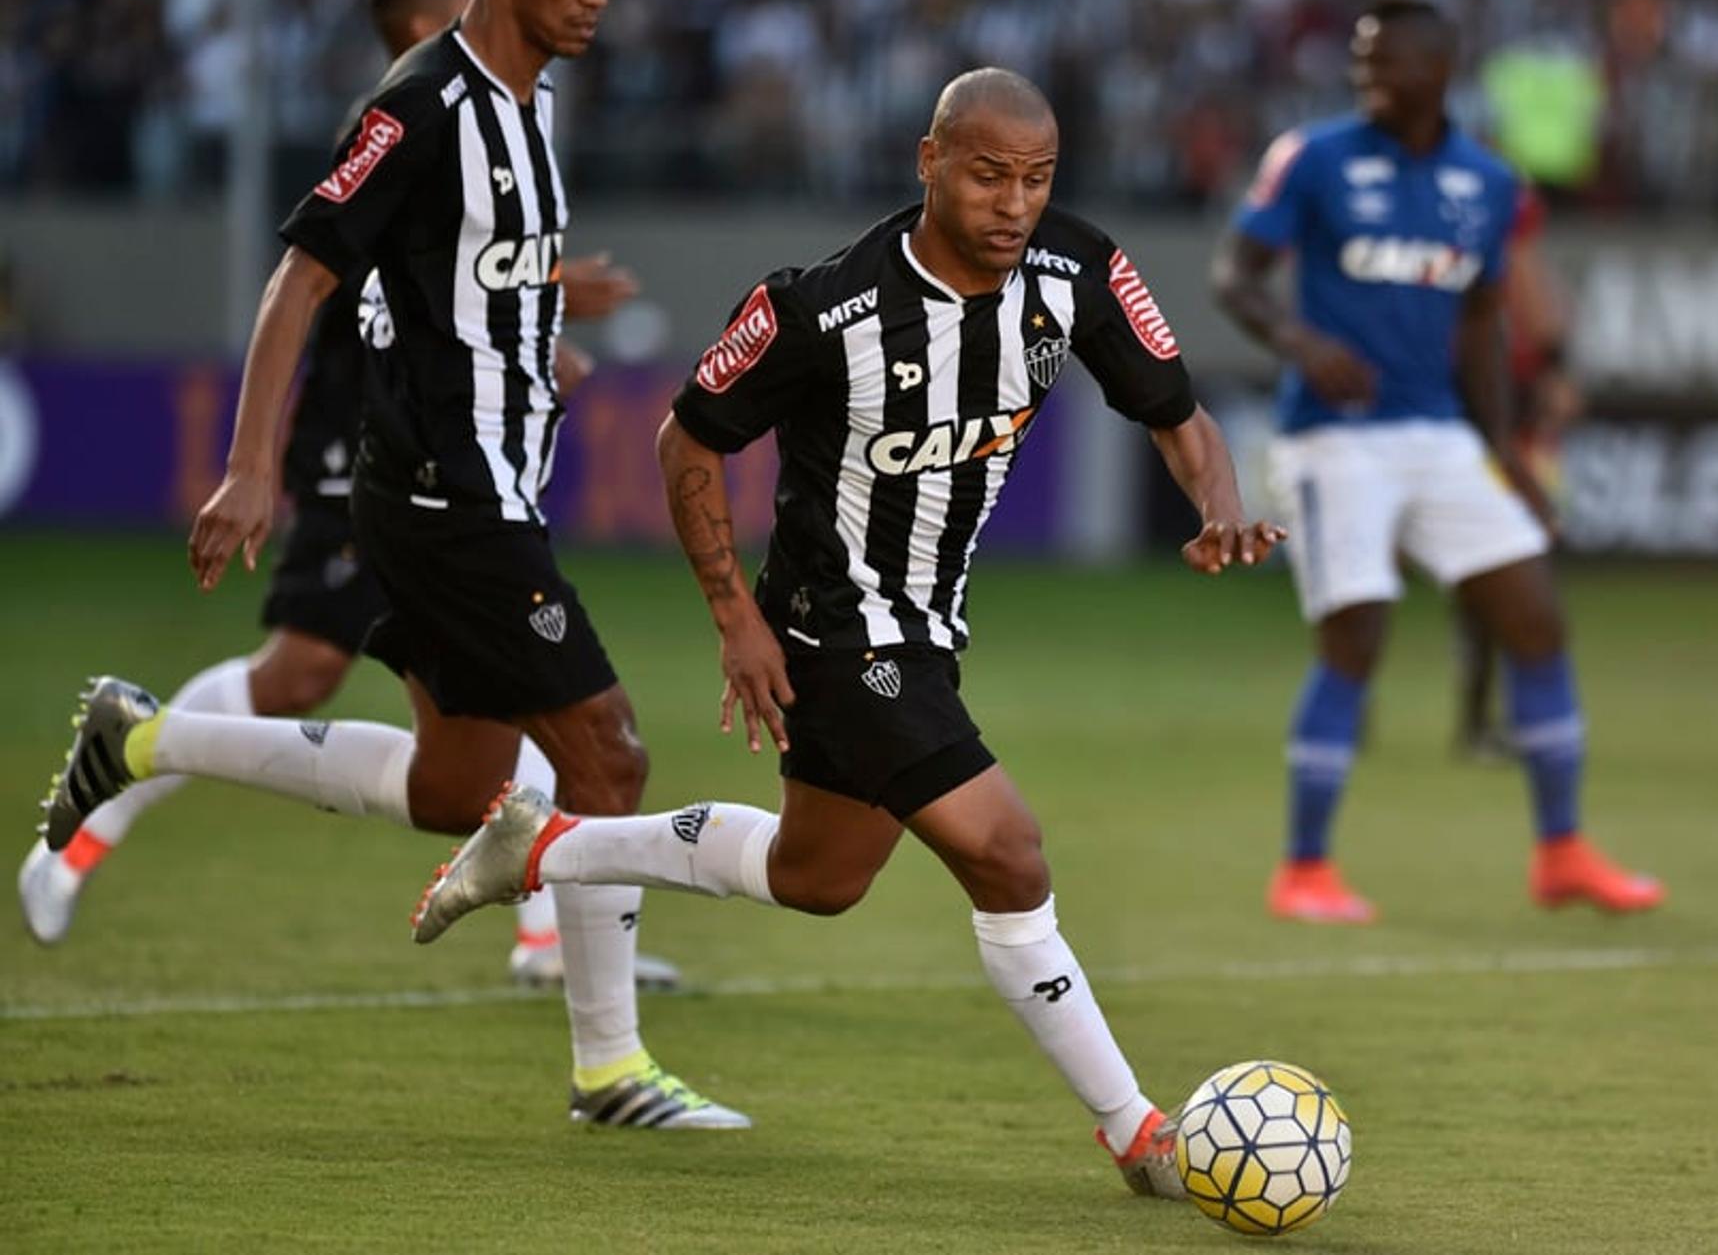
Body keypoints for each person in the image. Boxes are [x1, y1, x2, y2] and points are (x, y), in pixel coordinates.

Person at [407, 67, 1282, 1196]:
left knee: (816, 874)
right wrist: (737, 621)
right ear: (928, 161)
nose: (1014, 203)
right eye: (987, 175)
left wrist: (1218, 500)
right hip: (832, 626)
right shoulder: (824, 308)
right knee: (1008, 854)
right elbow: (687, 441)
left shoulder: (1081, 271)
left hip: (926, 627)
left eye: (1036, 179)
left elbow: (1178, 411)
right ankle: (1139, 1134)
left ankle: (538, 847)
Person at [35, 0, 741, 1129]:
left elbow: (456, 276)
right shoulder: (417, 108)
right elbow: (301, 274)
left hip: (485, 488)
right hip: (445, 500)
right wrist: (252, 464)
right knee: (608, 758)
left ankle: (146, 737)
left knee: (457, 785)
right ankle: (610, 1070)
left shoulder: (537, 103)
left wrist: (540, 339)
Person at [1210, 0, 1664, 924]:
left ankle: (1563, 851)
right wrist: (1302, 344)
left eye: (1386, 60)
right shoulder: (1314, 157)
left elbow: (1483, 331)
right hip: (1335, 437)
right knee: (1359, 634)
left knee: (1534, 618)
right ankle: (1303, 868)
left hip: (1442, 436)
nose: (1365, 73)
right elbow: (1233, 276)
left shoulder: (1487, 184)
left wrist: (1511, 461)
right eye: (1361, 58)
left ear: (1439, 70)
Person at [1452, 182, 1584, 759]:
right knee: (1502, 562)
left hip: (1499, 414)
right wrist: (1557, 368)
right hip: (1486, 416)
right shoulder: (1499, 231)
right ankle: (1488, 721)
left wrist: (1555, 371)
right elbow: (1541, 303)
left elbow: (1540, 303)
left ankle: (1487, 718)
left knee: (1497, 564)